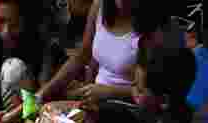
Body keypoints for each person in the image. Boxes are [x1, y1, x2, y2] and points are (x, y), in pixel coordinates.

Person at [21, 37, 195, 123]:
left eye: (139, 89)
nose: (131, 90)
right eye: (133, 82)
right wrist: (97, 114)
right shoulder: (161, 108)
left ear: (163, 101)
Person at [35, 0, 167, 106]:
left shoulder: (154, 30)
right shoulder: (99, 6)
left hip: (128, 108)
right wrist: (42, 94)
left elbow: (152, 94)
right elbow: (81, 56)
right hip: (94, 98)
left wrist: (111, 92)